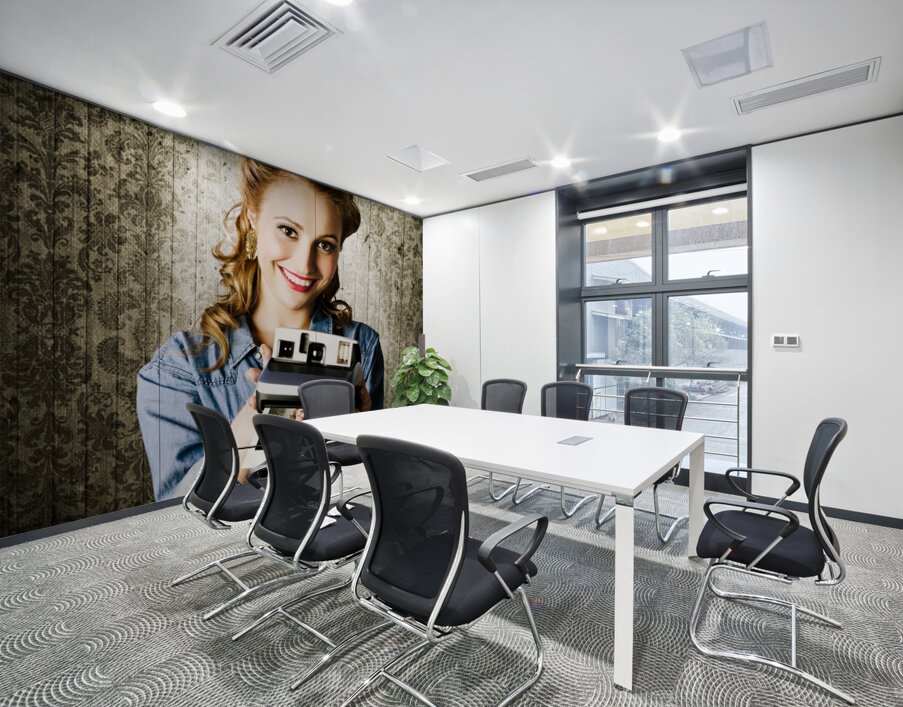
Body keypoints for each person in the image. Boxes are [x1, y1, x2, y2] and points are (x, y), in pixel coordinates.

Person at [137, 157, 384, 501]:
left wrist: (362, 431)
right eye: (288, 231)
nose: (305, 263)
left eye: (325, 244)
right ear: (254, 219)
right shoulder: (178, 365)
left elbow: (366, 483)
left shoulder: (362, 343)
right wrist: (258, 417)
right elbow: (177, 506)